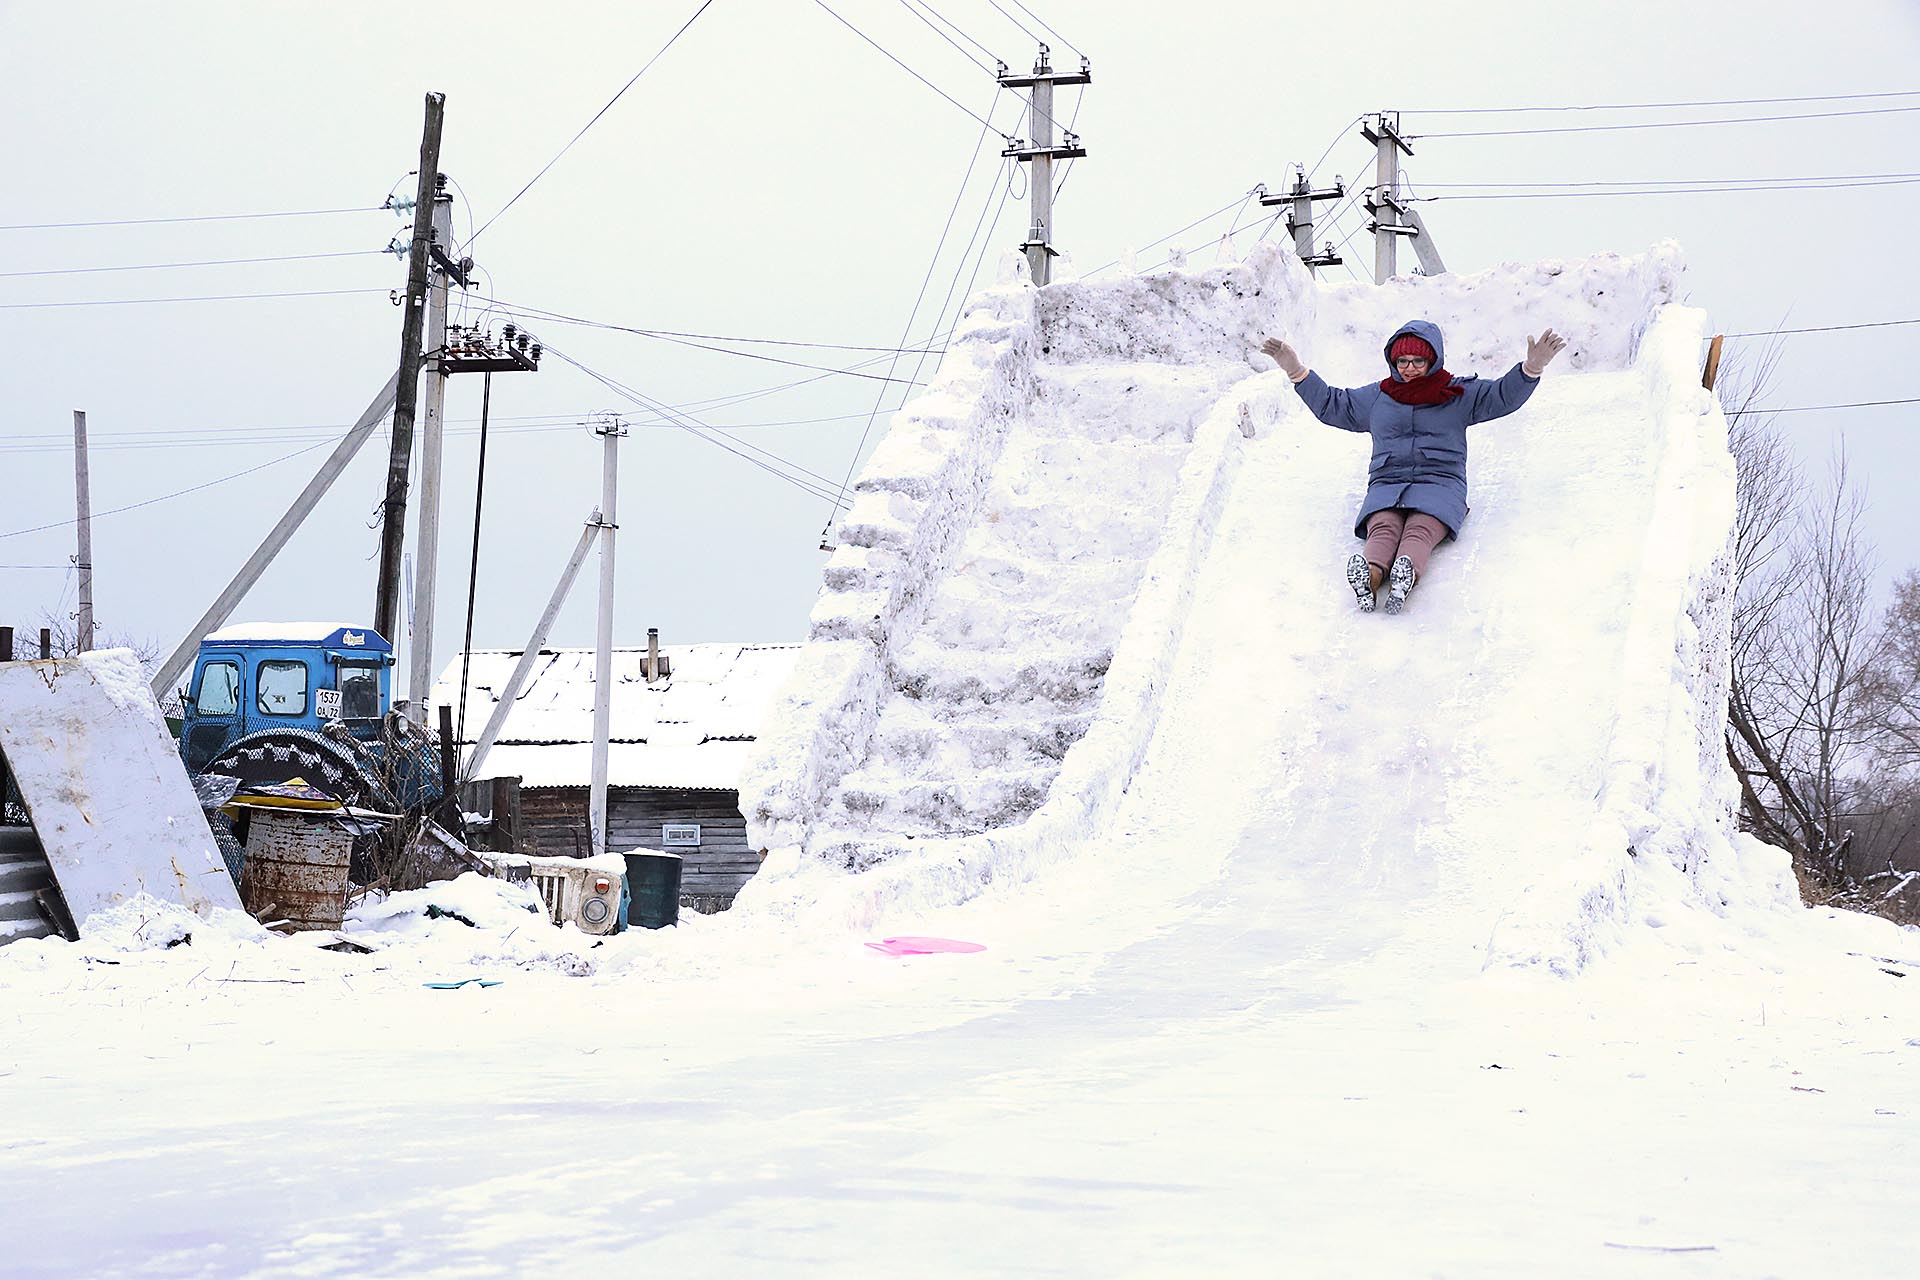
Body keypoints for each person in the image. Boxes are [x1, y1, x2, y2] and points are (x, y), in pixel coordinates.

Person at [1259, 320, 1566, 614]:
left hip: (1441, 483)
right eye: (1403, 361)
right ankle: (1371, 576)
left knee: (1421, 528)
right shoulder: (1378, 397)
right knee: (1383, 525)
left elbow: (1500, 396)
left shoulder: (1457, 394)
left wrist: (1531, 369)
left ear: (1432, 360)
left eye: (1418, 361)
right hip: (1387, 482)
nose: (1409, 368)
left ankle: (1405, 573)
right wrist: (1296, 371)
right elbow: (1334, 405)